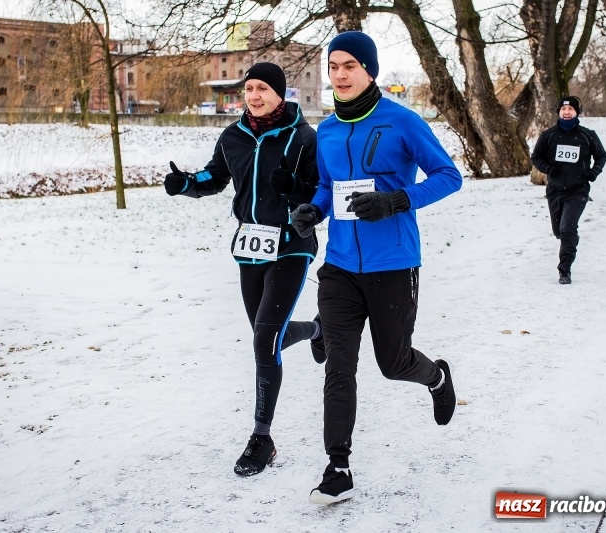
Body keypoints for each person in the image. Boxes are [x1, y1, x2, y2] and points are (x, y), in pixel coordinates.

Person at [289, 31, 462, 505]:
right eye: (333, 66)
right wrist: (315, 210)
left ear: (369, 70)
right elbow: (327, 187)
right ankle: (338, 467)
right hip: (340, 267)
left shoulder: (402, 121)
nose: (339, 75)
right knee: (340, 368)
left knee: (393, 363)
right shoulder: (326, 130)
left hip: (393, 264)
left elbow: (450, 176)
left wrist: (396, 200)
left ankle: (437, 377)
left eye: (349, 66)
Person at [164, 62, 323, 477]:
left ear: (280, 94)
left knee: (264, 341)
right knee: (265, 337)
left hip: (291, 245)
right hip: (251, 248)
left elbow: (317, 195)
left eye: (262, 89)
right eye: (249, 88)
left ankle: (262, 437)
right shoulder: (232, 136)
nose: (254, 95)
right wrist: (185, 184)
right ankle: (319, 330)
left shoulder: (304, 138)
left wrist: (297, 193)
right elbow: (215, 177)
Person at [530, 96, 606, 284]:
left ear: (577, 112)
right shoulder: (548, 136)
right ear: (558, 112)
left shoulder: (587, 135)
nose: (567, 113)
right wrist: (549, 169)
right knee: (559, 231)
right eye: (563, 110)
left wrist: (593, 173)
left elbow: (601, 156)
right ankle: (569, 237)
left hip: (578, 191)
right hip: (555, 191)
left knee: (567, 229)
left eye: (571, 110)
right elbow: (536, 157)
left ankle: (564, 270)